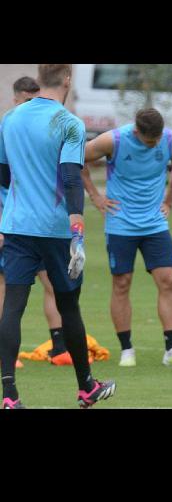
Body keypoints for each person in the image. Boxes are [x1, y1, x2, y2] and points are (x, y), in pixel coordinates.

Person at [0, 64, 115, 409]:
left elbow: (4, 175)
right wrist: (77, 232)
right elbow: (70, 177)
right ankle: (86, 387)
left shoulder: (11, 118)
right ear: (67, 79)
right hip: (54, 230)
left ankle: (9, 396)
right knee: (69, 307)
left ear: (38, 77)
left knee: (12, 308)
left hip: (18, 226)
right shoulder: (68, 123)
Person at [81, 108, 172, 367]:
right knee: (122, 283)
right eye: (149, 141)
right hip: (120, 223)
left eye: (157, 139)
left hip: (155, 224)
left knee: (168, 280)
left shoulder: (171, 140)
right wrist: (95, 197)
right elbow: (76, 159)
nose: (155, 144)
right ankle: (127, 350)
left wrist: (169, 201)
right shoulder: (113, 140)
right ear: (136, 132)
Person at [2, 77, 71, 368]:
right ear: (16, 99)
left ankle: (59, 348)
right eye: (26, 101)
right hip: (12, 223)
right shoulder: (8, 127)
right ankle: (6, 354)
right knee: (6, 288)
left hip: (39, 222)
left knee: (51, 283)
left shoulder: (38, 130)